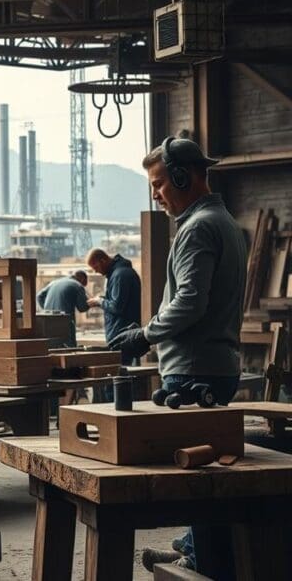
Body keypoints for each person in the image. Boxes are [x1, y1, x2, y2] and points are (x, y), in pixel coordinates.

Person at [108, 137, 246, 577]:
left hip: (193, 371)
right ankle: (193, 548)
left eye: (159, 183)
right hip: (215, 367)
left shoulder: (197, 228)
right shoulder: (225, 221)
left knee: (195, 479)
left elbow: (189, 301)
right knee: (208, 470)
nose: (155, 194)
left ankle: (202, 563)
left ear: (184, 177)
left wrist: (144, 335)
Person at [86, 248, 141, 401]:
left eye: (96, 267)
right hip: (122, 334)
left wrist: (99, 301)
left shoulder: (119, 275)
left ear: (103, 260)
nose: (96, 272)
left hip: (121, 336)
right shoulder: (120, 273)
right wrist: (104, 299)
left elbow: (117, 307)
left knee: (116, 383)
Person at [36, 270, 90, 347]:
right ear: (82, 279)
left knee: (52, 346)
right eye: (84, 284)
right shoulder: (78, 285)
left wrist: (46, 310)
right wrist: (92, 302)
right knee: (69, 347)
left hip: (48, 320)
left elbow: (39, 296)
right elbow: (82, 308)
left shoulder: (54, 282)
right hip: (65, 321)